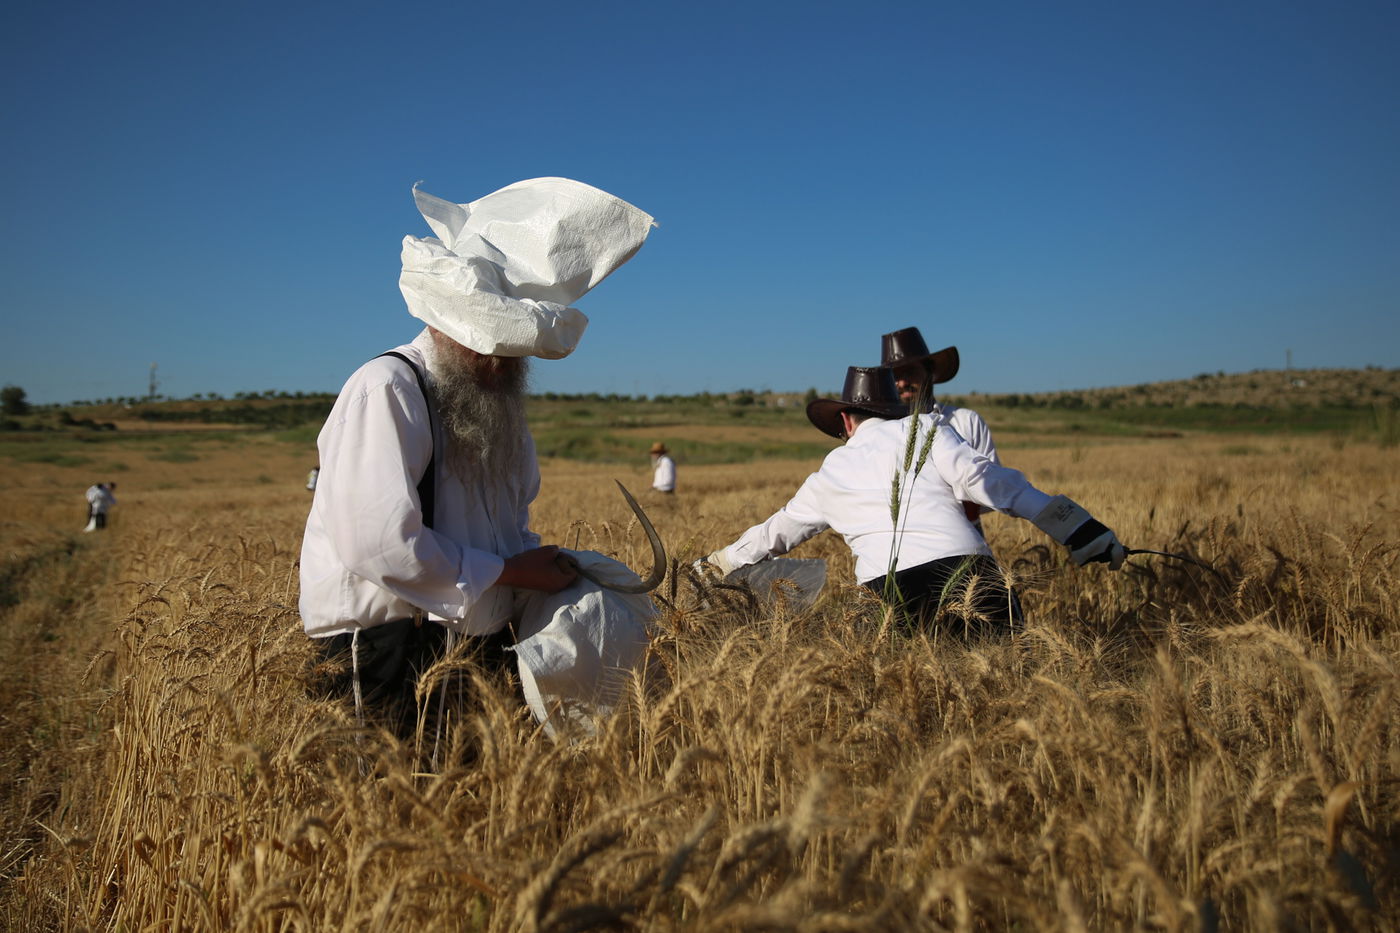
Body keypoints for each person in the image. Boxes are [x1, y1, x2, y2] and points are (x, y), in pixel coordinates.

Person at [299, 177, 654, 731]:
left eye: (515, 351)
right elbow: (378, 542)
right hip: (391, 650)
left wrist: (544, 569)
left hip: (480, 644)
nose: (501, 363)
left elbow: (508, 525)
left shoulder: (499, 408)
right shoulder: (389, 388)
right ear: (445, 323)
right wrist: (512, 571)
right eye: (489, 344)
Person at [700, 367, 1124, 635]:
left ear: (845, 419)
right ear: (896, 409)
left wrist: (710, 566)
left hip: (887, 592)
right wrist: (1081, 530)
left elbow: (774, 534)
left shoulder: (827, 473)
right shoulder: (928, 429)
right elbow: (994, 484)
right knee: (1007, 686)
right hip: (967, 573)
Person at [881, 327, 998, 528]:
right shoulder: (881, 431)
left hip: (966, 533)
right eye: (894, 375)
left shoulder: (966, 421)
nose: (901, 382)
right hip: (899, 538)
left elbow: (993, 487)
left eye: (910, 372)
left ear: (931, 372)